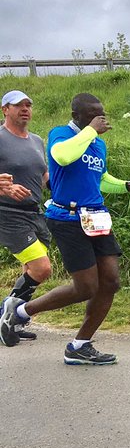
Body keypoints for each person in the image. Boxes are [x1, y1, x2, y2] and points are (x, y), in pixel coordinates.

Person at [0, 94, 130, 362]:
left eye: (102, 113)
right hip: (67, 218)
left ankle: (80, 345)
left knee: (111, 282)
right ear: (77, 115)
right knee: (85, 287)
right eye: (94, 114)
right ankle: (21, 312)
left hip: (97, 218)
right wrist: (91, 130)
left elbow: (100, 178)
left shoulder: (97, 144)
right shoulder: (60, 135)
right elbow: (63, 156)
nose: (100, 119)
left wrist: (126, 185)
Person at [0, 91, 49, 345]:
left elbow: (43, 175)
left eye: (29, 104)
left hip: (34, 212)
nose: (25, 109)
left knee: (29, 269)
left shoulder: (37, 140)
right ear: (4, 110)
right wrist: (4, 187)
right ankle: (6, 314)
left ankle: (12, 322)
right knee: (42, 268)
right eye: (19, 105)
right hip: (7, 213)